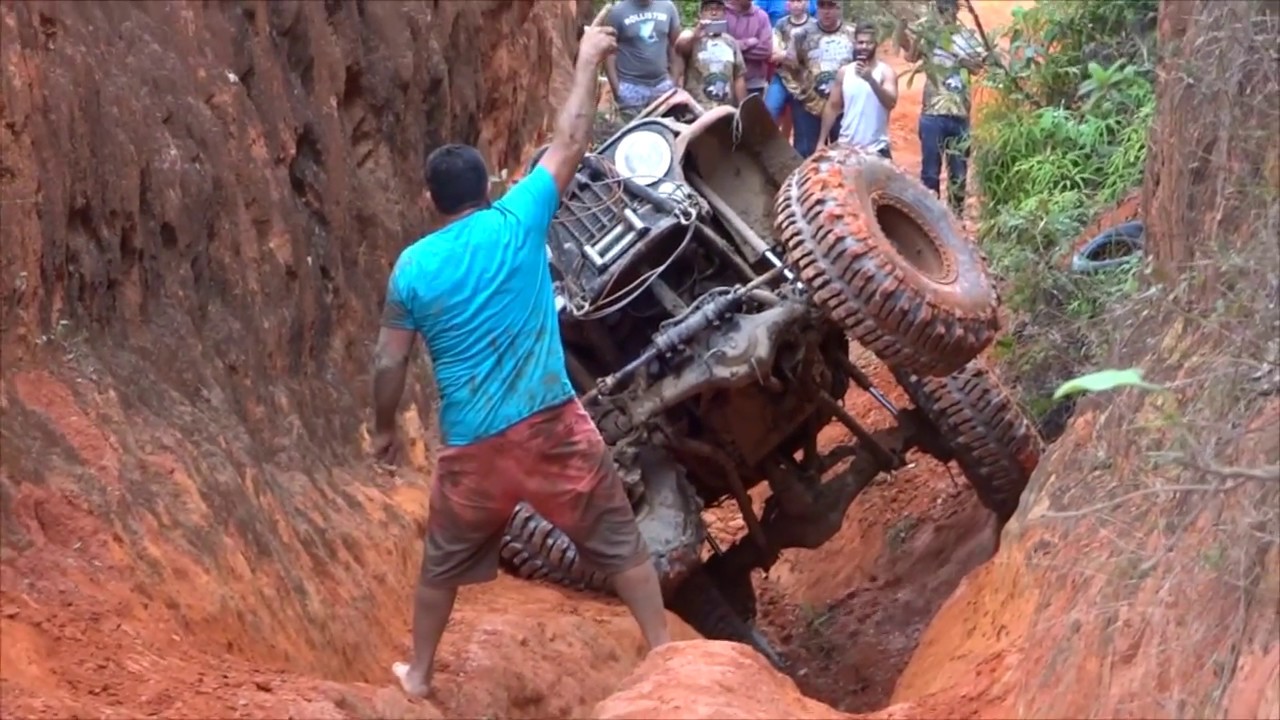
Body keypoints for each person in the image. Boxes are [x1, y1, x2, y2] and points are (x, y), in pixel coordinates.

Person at [373, 26, 672, 699]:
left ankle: (418, 675)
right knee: (619, 540)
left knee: (440, 565)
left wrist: (384, 430)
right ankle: (662, 653)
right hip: (551, 425)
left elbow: (388, 363)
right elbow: (569, 141)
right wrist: (590, 58)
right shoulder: (518, 219)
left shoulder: (412, 267)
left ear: (432, 200)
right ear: (487, 186)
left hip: (474, 445)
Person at [903, 0, 987, 213]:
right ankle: (929, 218)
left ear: (957, 11)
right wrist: (917, 35)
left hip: (959, 113)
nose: (945, 14)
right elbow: (911, 57)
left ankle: (956, 221)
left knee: (958, 174)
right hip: (932, 112)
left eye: (949, 9)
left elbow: (979, 67)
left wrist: (958, 56)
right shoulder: (929, 36)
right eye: (941, 9)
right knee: (930, 172)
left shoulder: (967, 37)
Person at [787, 0, 860, 157]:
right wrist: (803, 93)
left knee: (843, 155)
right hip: (809, 106)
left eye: (831, 6)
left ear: (839, 7)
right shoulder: (801, 35)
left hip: (843, 107)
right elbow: (791, 68)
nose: (826, 11)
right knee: (807, 155)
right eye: (822, 6)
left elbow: (859, 67)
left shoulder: (852, 33)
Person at [818, 22, 899, 159]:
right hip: (846, 148)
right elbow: (832, 107)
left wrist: (871, 80)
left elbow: (890, 103)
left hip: (876, 149)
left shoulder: (886, 72)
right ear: (854, 44)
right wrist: (821, 141)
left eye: (869, 43)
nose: (864, 47)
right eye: (860, 43)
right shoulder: (844, 72)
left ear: (876, 44)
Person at [594, 0, 684, 122]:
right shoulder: (618, 12)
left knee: (664, 132)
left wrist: (674, 79)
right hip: (630, 88)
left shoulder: (667, 7)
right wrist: (617, 89)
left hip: (662, 85)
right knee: (633, 135)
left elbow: (676, 45)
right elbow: (610, 52)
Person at [679, 0, 749, 109]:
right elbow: (680, 50)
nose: (714, 13)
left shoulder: (731, 42)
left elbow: (739, 77)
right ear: (700, 14)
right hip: (697, 109)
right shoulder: (692, 38)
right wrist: (696, 35)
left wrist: (744, 109)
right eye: (708, 9)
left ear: (724, 14)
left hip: (725, 109)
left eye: (718, 9)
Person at [764, 0, 816, 126]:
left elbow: (811, 58)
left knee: (802, 125)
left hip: (805, 83)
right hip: (782, 77)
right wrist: (792, 56)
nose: (796, 4)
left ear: (807, 3)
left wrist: (785, 54)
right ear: (787, 4)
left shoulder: (814, 26)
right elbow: (774, 55)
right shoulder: (781, 24)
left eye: (800, 1)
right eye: (793, 1)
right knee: (768, 111)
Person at [723, 0, 773, 97]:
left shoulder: (761, 16)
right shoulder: (723, 13)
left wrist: (732, 50)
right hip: (724, 81)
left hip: (754, 81)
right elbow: (720, 46)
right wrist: (748, 43)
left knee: (751, 112)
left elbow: (766, 50)